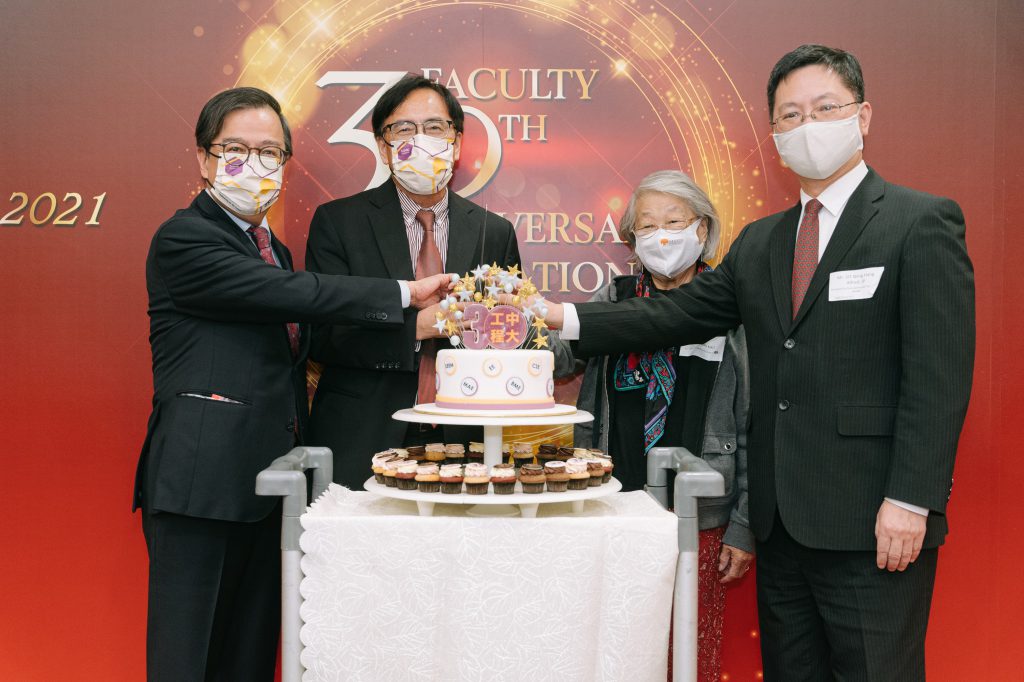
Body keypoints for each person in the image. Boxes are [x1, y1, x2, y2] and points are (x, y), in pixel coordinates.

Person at [543, 45, 974, 681]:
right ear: (774, 134)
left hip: (871, 522)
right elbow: (672, 315)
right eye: (789, 116)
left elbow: (938, 378)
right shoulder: (762, 241)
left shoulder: (918, 222)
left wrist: (911, 499)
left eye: (825, 108)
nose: (807, 127)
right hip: (780, 528)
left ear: (863, 116)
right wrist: (559, 318)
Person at [133, 86, 453, 682]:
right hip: (201, 484)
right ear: (203, 158)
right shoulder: (185, 238)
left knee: (250, 659)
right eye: (236, 149)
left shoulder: (272, 247)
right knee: (189, 658)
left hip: (271, 487)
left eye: (270, 153)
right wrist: (403, 295)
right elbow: (295, 295)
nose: (253, 166)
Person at [550, 170, 753, 682]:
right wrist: (506, 329)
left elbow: (754, 423)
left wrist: (744, 525)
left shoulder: (730, 308)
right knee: (615, 646)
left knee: (689, 649)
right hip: (615, 506)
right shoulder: (612, 301)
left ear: (702, 230)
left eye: (674, 221)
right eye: (647, 225)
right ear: (632, 241)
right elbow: (556, 361)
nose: (661, 235)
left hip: (701, 515)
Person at [305, 74, 521, 489]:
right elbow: (322, 335)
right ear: (384, 148)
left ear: (456, 143)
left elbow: (510, 335)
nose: (421, 141)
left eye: (435, 128)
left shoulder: (493, 232)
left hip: (467, 439)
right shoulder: (339, 223)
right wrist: (419, 328)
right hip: (362, 433)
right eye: (404, 129)